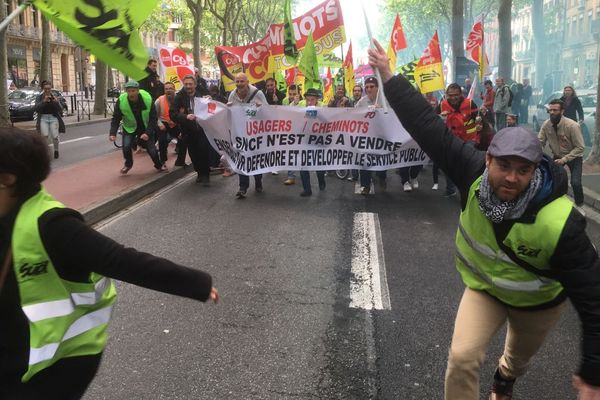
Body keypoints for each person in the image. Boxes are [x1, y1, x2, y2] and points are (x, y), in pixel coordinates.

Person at [368, 38, 600, 400]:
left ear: (535, 170)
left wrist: (593, 375)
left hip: (537, 303)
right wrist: (388, 75)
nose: (511, 177)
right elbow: (427, 126)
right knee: (461, 359)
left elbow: (594, 299)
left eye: (522, 170)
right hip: (485, 290)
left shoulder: (562, 224)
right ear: (488, 159)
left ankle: (504, 379)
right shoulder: (471, 170)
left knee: (516, 363)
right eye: (503, 166)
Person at [0, 127, 219, 400]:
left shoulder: (53, 225)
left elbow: (122, 260)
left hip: (56, 364)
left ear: (7, 179)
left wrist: (195, 283)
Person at [538, 99, 585, 210]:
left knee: (575, 182)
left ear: (562, 111)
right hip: (557, 156)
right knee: (551, 180)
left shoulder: (572, 126)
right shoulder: (546, 125)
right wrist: (536, 151)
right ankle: (555, 204)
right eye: (550, 110)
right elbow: (540, 141)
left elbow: (580, 147)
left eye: (555, 110)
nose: (552, 112)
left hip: (574, 156)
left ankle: (580, 204)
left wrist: (565, 159)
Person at [109, 80, 164, 174]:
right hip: (130, 127)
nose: (131, 93)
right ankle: (128, 164)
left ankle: (159, 165)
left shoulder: (147, 98)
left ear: (138, 91)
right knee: (126, 146)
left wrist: (147, 133)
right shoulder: (122, 100)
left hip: (145, 126)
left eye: (133, 91)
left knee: (152, 150)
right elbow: (116, 118)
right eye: (129, 91)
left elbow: (153, 118)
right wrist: (112, 133)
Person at [227, 72, 268, 199]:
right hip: (240, 133)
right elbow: (229, 115)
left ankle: (258, 180)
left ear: (247, 82)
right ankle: (243, 187)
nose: (239, 84)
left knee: (255, 158)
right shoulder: (232, 95)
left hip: (255, 133)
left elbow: (268, 112)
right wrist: (227, 108)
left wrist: (262, 108)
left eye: (241, 81)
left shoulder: (258, 94)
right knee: (241, 158)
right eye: (237, 82)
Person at [436, 83, 479, 197]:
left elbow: (479, 118)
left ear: (461, 94)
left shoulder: (469, 103)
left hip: (469, 139)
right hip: (451, 140)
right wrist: (441, 117)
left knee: (465, 164)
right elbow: (434, 120)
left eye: (456, 95)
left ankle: (468, 189)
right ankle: (450, 189)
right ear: (446, 95)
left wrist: (479, 120)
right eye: (450, 95)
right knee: (449, 165)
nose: (453, 97)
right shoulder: (442, 105)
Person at [171, 75, 212, 185]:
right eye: (186, 84)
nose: (188, 86)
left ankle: (206, 175)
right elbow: (172, 114)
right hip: (188, 130)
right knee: (193, 154)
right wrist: (185, 116)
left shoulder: (202, 93)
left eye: (190, 84)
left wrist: (211, 99)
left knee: (203, 151)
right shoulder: (179, 97)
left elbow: (215, 102)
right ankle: (199, 172)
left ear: (195, 84)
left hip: (202, 129)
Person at [355, 76, 388, 195]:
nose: (369, 89)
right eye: (367, 87)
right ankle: (365, 185)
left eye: (372, 87)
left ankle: (382, 177)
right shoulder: (362, 102)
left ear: (377, 88)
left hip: (380, 136)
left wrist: (383, 110)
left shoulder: (384, 100)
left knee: (381, 159)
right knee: (364, 160)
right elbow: (354, 115)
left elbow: (392, 116)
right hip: (366, 137)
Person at [299, 88, 326, 197]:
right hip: (304, 139)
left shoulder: (323, 107)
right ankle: (307, 189)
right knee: (303, 165)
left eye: (312, 99)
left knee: (318, 165)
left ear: (317, 100)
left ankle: (321, 180)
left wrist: (316, 114)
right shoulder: (301, 105)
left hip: (318, 140)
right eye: (308, 100)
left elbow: (327, 121)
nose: (309, 102)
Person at [35, 80, 65, 160]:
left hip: (53, 118)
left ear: (51, 88)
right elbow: (36, 109)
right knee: (45, 136)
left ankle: (56, 150)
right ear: (43, 88)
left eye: (49, 88)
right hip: (43, 118)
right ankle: (46, 153)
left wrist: (56, 102)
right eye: (45, 88)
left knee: (55, 137)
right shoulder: (39, 97)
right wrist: (43, 102)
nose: (47, 90)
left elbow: (60, 109)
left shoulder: (54, 96)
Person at [154, 82, 180, 167]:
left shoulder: (179, 98)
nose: (168, 90)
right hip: (163, 122)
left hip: (176, 122)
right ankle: (163, 160)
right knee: (162, 140)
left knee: (183, 138)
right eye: (166, 89)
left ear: (174, 89)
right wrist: (159, 123)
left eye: (170, 88)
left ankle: (180, 158)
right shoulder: (159, 101)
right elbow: (154, 116)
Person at [282, 84, 303, 185]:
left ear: (299, 93)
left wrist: (297, 104)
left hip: (302, 132)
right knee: (291, 154)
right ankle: (291, 176)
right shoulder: (285, 101)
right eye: (290, 94)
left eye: (294, 94)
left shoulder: (303, 102)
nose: (291, 96)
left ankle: (304, 175)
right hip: (290, 132)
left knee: (302, 154)